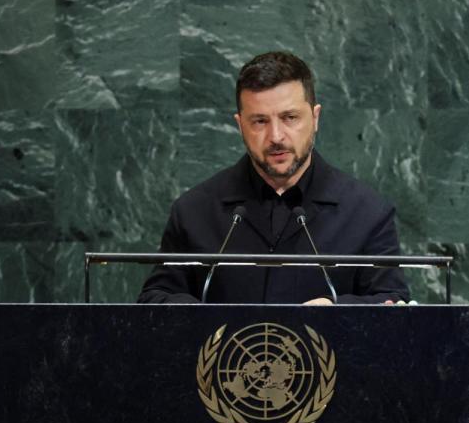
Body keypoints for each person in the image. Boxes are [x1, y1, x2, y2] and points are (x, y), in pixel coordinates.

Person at [137, 51, 409, 304]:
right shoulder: (194, 211)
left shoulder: (368, 212)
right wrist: (204, 319)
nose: (276, 137)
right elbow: (156, 300)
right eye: (259, 121)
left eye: (290, 117)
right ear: (239, 125)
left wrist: (337, 311)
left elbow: (392, 306)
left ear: (315, 118)